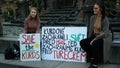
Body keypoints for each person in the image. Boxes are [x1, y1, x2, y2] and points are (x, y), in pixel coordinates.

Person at [80, 2, 112, 68]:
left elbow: (105, 32)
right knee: (82, 42)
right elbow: (91, 29)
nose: (94, 9)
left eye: (96, 8)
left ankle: (95, 64)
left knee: (94, 43)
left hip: (104, 37)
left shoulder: (105, 19)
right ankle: (92, 57)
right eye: (93, 8)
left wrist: (94, 39)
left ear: (101, 9)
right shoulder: (92, 18)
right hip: (95, 36)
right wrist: (89, 39)